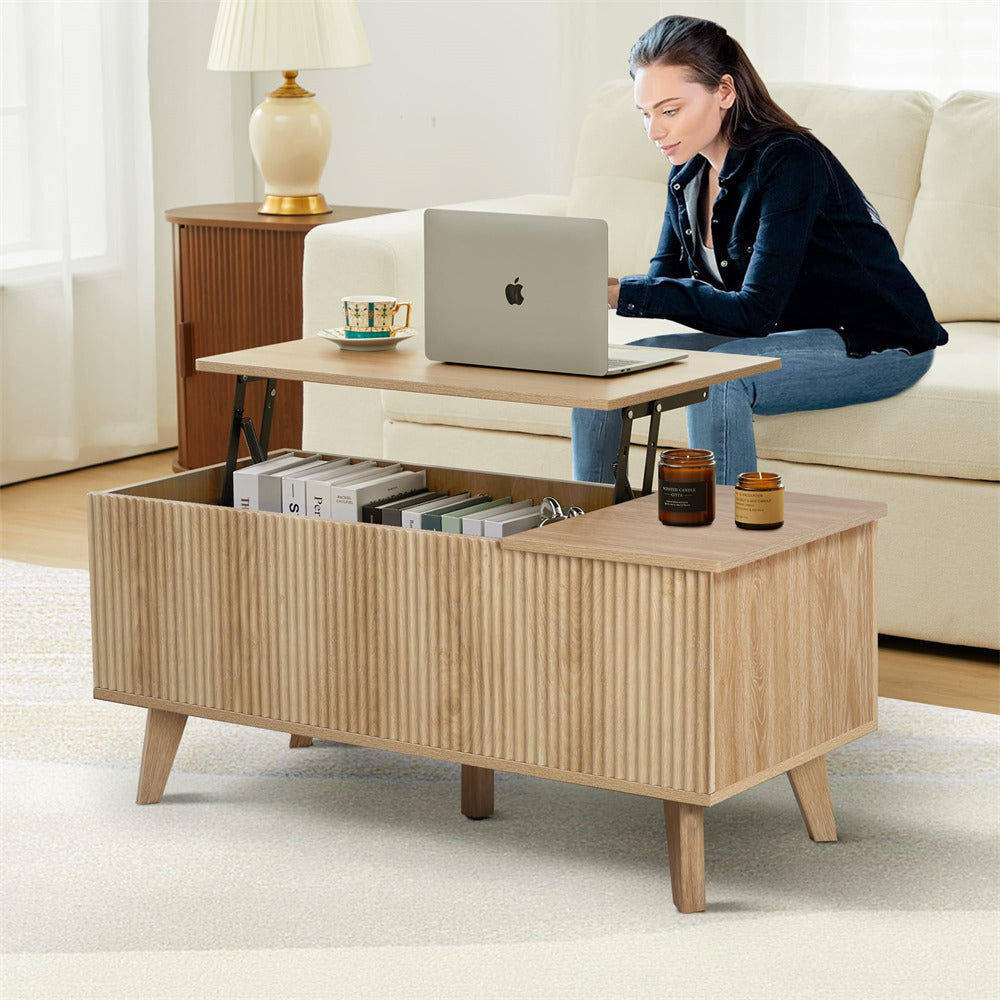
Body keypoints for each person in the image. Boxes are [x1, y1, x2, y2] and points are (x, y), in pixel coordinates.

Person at [572, 16, 948, 487]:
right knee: (607, 371)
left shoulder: (789, 160)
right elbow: (664, 280)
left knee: (720, 381)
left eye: (669, 111)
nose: (653, 131)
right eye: (645, 114)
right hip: (781, 333)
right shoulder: (685, 177)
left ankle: (724, 550)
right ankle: (589, 530)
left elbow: (754, 313)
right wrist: (590, 287)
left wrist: (621, 293)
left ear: (725, 92)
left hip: (878, 340)